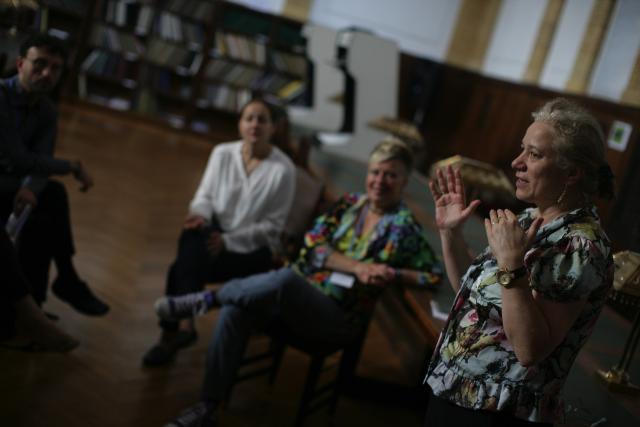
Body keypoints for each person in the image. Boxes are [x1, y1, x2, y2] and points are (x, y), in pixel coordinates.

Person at [154, 138, 443, 427]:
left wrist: (392, 273)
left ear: (404, 181)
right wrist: (357, 266)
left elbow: (432, 274)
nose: (380, 181)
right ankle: (207, 406)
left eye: (391, 175)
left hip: (337, 316)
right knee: (236, 309)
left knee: (286, 279)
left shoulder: (404, 227)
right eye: (375, 172)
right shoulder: (350, 204)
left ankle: (208, 299)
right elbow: (311, 245)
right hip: (295, 298)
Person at [424, 98, 615, 426]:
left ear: (571, 173)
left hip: (497, 411)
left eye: (534, 154)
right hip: (457, 391)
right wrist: (450, 234)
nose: (516, 162)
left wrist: (512, 265)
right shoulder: (530, 218)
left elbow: (530, 350)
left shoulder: (580, 247)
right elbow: (475, 299)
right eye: (522, 149)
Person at [142, 98, 297, 366]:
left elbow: (273, 228)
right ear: (239, 123)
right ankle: (184, 325)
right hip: (214, 236)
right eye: (249, 118)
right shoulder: (222, 153)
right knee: (191, 232)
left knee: (179, 268)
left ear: (274, 128)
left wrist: (227, 241)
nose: (255, 125)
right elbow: (205, 196)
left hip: (253, 250)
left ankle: (175, 331)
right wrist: (200, 217)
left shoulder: (283, 170)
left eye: (262, 119)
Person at [0, 33, 106, 317]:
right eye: (40, 64)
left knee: (43, 216)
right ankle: (66, 282)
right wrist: (71, 166)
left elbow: (40, 161)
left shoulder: (47, 110)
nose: (47, 74)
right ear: (21, 63)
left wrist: (31, 189)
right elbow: (18, 157)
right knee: (55, 195)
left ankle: (34, 304)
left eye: (55, 68)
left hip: (10, 185)